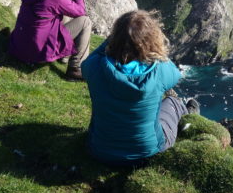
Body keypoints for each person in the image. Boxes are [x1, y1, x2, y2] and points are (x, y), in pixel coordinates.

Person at [82, 10, 199, 166]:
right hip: (147, 152)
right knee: (173, 102)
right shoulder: (160, 71)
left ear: (114, 38)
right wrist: (155, 50)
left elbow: (89, 60)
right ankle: (190, 114)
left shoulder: (94, 66)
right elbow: (175, 73)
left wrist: (115, 39)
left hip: (100, 150)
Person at [9, 0, 91, 81]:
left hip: (18, 47)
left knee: (64, 13)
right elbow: (80, 11)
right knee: (85, 22)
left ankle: (63, 57)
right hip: (37, 53)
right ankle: (75, 69)